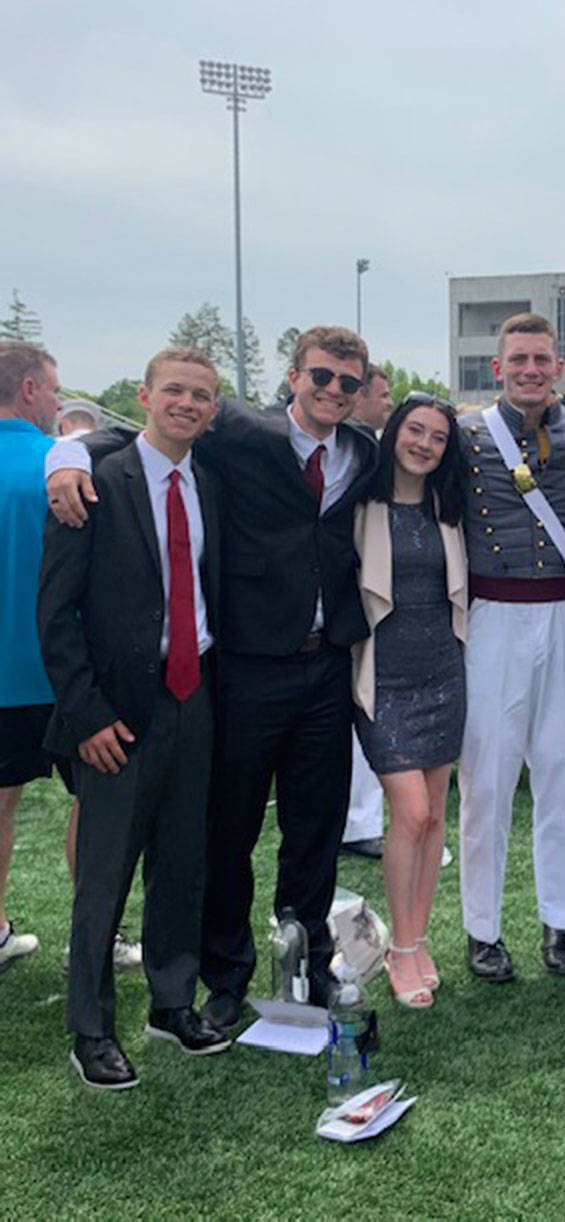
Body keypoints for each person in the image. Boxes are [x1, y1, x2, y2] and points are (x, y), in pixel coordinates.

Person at [46, 325, 379, 1028]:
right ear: (294, 376)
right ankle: (227, 976)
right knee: (227, 830)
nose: (333, 392)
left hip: (326, 665)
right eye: (321, 376)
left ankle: (309, 962)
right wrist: (65, 453)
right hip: (246, 667)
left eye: (349, 383)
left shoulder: (361, 451)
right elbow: (139, 435)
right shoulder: (239, 430)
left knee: (314, 827)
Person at [39, 347, 229, 1088]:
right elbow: (55, 613)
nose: (187, 403)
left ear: (214, 410)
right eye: (175, 391)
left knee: (182, 866)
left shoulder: (209, 482)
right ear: (146, 396)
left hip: (194, 696)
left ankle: (171, 1003)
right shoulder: (92, 482)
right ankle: (90, 1027)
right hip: (114, 710)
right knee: (104, 875)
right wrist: (84, 714)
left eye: (202, 395)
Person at [456, 313, 565, 982]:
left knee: (561, 773)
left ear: (558, 367)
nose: (531, 369)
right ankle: (482, 929)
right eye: (519, 359)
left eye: (542, 358)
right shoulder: (464, 437)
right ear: (498, 367)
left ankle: (560, 923)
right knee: (485, 778)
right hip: (493, 617)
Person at [352, 393, 467, 1008]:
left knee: (435, 818)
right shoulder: (359, 503)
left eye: (438, 437)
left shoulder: (450, 508)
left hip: (444, 672)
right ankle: (399, 949)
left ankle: (418, 940)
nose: (424, 444)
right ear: (394, 432)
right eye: (414, 431)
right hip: (384, 678)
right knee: (413, 813)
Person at [0, 341, 63, 971]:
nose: (56, 401)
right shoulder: (56, 463)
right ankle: (97, 933)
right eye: (53, 389)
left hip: (5, 674)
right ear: (28, 391)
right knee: (95, 809)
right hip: (61, 670)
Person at [341, 364, 395, 861]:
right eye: (380, 394)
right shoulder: (364, 453)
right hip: (350, 613)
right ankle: (356, 824)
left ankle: (358, 820)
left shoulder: (370, 453)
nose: (386, 403)